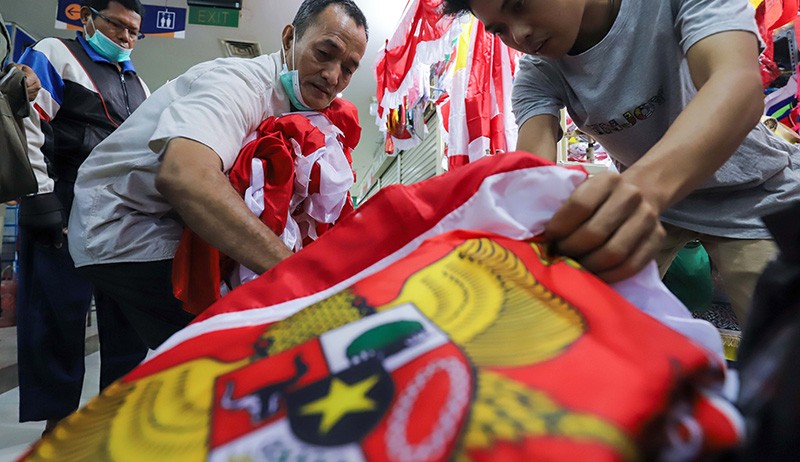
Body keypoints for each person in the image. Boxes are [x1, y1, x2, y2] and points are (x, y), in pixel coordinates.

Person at [442, 0, 800, 326]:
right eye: (500, 29)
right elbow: (534, 168)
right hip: (660, 210)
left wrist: (639, 191)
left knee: (783, 357)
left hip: (754, 195)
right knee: (575, 322)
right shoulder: (539, 74)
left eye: (520, 6)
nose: (520, 34)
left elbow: (736, 84)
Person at [68, 0, 368, 358]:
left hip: (168, 223)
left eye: (348, 69)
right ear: (289, 38)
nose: (333, 77)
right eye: (324, 53)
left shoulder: (301, 112)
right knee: (237, 350)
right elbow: (185, 176)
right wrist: (297, 276)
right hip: (123, 225)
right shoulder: (238, 84)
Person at [14, 0, 149, 434]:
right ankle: (57, 421)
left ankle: (114, 415)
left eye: (134, 31)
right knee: (55, 313)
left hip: (121, 210)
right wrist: (39, 197)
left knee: (126, 317)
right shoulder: (55, 54)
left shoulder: (139, 84)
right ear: (87, 18)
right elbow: (25, 123)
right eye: (118, 26)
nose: (127, 38)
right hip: (62, 196)